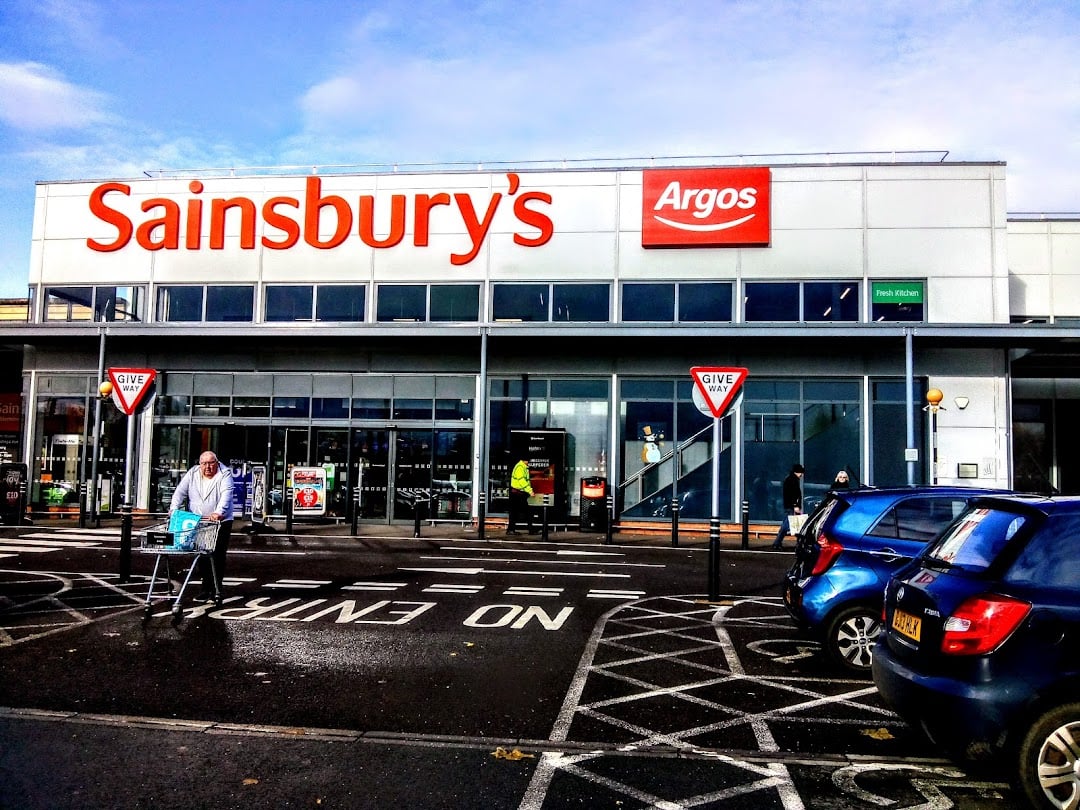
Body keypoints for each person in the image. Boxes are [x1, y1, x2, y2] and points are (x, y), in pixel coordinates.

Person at [170, 451, 234, 602]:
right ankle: (205, 589)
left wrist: (219, 512)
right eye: (204, 464)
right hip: (198, 521)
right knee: (202, 555)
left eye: (211, 463)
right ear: (200, 464)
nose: (208, 467)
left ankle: (217, 589)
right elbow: (180, 492)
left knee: (217, 555)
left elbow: (226, 495)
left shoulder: (224, 474)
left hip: (220, 522)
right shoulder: (192, 473)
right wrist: (174, 508)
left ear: (216, 463)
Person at [771, 463, 804, 550]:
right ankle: (778, 543)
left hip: (788, 505)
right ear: (797, 472)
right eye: (801, 472)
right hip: (791, 506)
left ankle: (778, 543)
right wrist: (796, 505)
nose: (802, 475)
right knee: (790, 525)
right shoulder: (793, 480)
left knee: (788, 524)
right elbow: (793, 494)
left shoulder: (789, 479)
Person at [507, 455, 533, 535]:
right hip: (517, 494)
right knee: (525, 511)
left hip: (518, 493)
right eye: (528, 461)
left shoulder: (522, 467)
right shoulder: (520, 468)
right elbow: (522, 481)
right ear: (525, 461)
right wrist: (530, 490)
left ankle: (511, 529)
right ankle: (530, 529)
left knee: (518, 512)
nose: (529, 463)